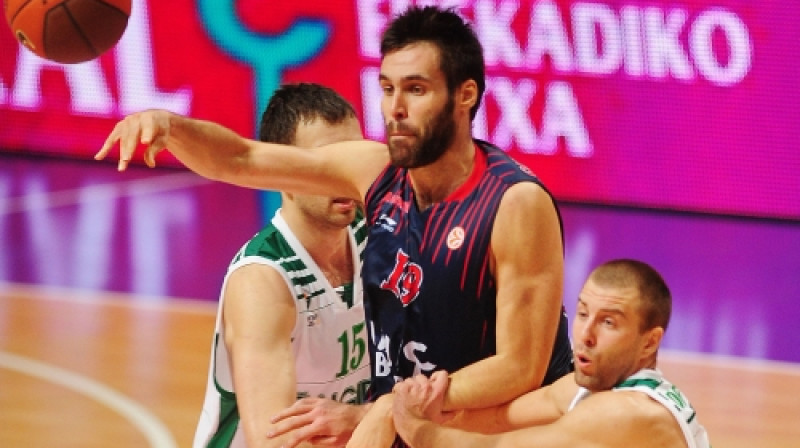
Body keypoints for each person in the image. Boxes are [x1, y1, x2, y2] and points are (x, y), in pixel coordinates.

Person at [96, 5, 573, 445]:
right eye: (387, 89)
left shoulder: (513, 204)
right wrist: (172, 126)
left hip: (494, 431)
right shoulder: (375, 172)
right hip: (414, 423)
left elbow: (521, 368)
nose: (395, 109)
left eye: (416, 89)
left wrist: (387, 409)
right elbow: (243, 158)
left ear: (465, 94)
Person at [192, 83, 371, 448]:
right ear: (281, 172)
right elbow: (274, 442)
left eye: (351, 156)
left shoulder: (378, 234)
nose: (342, 173)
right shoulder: (263, 281)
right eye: (324, 161)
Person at [391, 259, 711, 448]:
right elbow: (497, 419)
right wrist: (420, 404)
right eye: (583, 313)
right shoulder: (588, 388)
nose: (586, 335)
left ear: (649, 342)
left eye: (609, 322)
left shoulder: (629, 413)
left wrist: (413, 426)